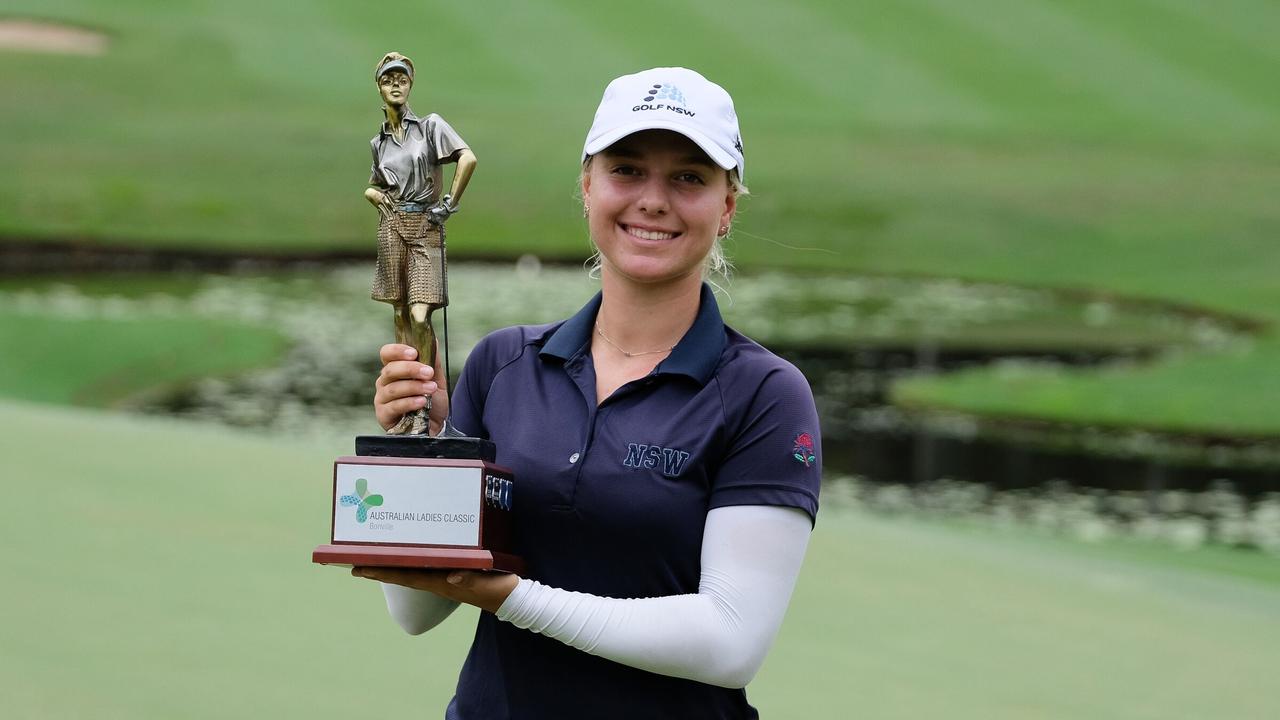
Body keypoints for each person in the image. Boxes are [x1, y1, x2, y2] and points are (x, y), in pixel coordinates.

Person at [357, 67, 821, 719]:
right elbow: (415, 610)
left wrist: (509, 597)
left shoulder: (764, 396)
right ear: (587, 186)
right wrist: (416, 452)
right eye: (626, 170)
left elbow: (730, 641)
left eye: (688, 177)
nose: (653, 200)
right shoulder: (502, 364)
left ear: (727, 208)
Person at [365, 51, 477, 435]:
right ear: (379, 87)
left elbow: (467, 159)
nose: (395, 84)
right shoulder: (378, 142)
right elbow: (376, 184)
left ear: (410, 84)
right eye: (388, 79)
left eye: (402, 78)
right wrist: (375, 196)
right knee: (398, 312)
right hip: (392, 225)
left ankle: (426, 404)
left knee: (419, 315)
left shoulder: (429, 127)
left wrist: (450, 203)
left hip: (427, 225)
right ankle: (409, 413)